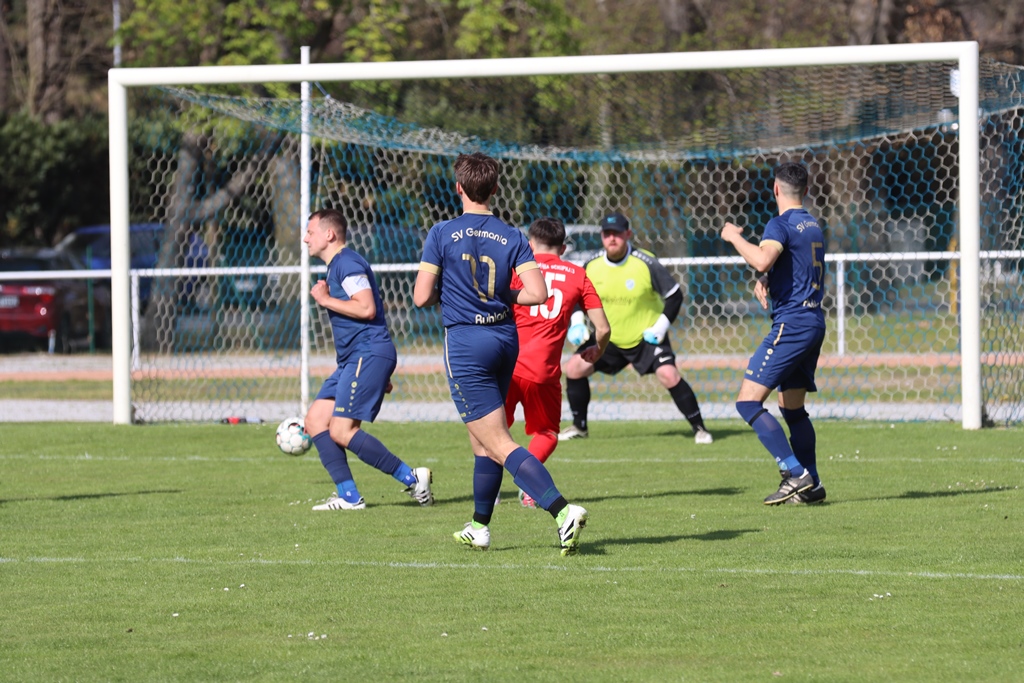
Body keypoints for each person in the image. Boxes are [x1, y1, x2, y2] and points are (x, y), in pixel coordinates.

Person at [413, 152, 589, 556]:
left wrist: (452, 292)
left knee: (497, 440)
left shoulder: (441, 232)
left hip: (466, 344)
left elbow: (421, 297)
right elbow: (537, 293)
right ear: (494, 188)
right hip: (505, 340)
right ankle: (479, 527)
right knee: (482, 440)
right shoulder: (512, 235)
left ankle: (562, 511)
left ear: (458, 188)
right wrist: (501, 294)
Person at [302, 208, 433, 511]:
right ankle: (349, 496)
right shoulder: (337, 266)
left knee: (341, 430)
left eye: (310, 232)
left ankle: (413, 479)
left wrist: (325, 300)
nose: (305, 238)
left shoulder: (346, 263)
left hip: (366, 353)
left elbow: (366, 308)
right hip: (356, 359)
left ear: (329, 234)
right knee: (316, 421)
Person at [720, 161, 827, 505]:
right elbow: (796, 264)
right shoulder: (812, 225)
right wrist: (770, 279)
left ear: (775, 189)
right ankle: (813, 485)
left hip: (792, 324)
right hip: (813, 322)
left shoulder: (779, 223)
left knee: (747, 402)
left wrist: (734, 236)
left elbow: (762, 259)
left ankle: (795, 473)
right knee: (792, 409)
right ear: (805, 190)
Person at [560, 212, 713, 445]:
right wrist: (578, 322)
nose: (612, 239)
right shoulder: (592, 265)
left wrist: (660, 328)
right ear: (601, 236)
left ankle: (700, 428)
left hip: (646, 338)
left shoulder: (646, 262)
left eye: (617, 234)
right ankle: (579, 427)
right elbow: (577, 298)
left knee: (669, 374)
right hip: (608, 339)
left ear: (628, 234)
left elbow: (674, 295)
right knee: (574, 368)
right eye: (607, 234)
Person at [504, 217, 611, 507]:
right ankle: (529, 483)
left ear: (530, 244)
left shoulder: (515, 270)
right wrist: (597, 350)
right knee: (547, 434)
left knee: (493, 432)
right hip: (543, 372)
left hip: (505, 365)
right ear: (563, 248)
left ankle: (488, 495)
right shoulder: (577, 274)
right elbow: (603, 328)